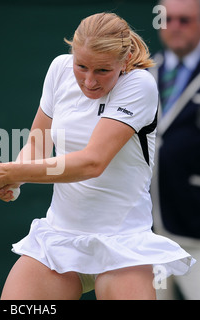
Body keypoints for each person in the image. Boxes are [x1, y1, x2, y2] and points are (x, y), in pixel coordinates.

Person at [0, 12, 195, 300]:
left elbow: (92, 162)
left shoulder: (139, 85)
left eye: (102, 71)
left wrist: (10, 172)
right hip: (58, 240)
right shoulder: (59, 70)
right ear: (72, 55)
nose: (89, 81)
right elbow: (37, 143)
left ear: (124, 62)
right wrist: (15, 180)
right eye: (82, 66)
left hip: (123, 244)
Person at [149, 0, 200, 300]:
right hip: (147, 236)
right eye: (168, 19)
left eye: (186, 19)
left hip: (195, 234)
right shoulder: (141, 74)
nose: (175, 27)